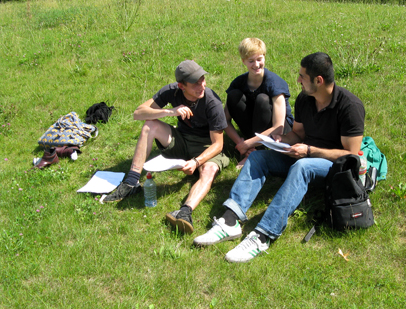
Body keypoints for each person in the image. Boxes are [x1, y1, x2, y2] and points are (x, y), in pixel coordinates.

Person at [193, 52, 366, 262]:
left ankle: (262, 235)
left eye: (302, 76)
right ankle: (230, 221)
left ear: (318, 81)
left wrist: (309, 151)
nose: (298, 80)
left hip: (332, 167)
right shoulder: (305, 99)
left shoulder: (350, 106)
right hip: (303, 154)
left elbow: (350, 155)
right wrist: (280, 140)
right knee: (258, 158)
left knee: (302, 166)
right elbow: (299, 134)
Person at [100, 60, 229, 234]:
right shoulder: (171, 92)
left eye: (203, 80)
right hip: (182, 141)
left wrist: (196, 162)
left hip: (206, 148)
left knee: (209, 171)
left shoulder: (211, 102)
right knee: (149, 125)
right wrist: (170, 111)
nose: (202, 85)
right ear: (181, 86)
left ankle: (185, 212)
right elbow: (138, 113)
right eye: (195, 83)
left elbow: (218, 144)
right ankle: (131, 182)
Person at [224, 38, 294, 168]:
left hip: (280, 130)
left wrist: (248, 143)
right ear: (243, 61)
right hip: (253, 130)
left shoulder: (275, 83)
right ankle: (251, 152)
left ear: (265, 57)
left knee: (262, 99)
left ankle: (256, 152)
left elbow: (279, 126)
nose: (256, 65)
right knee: (233, 96)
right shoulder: (238, 83)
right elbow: (225, 120)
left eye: (259, 59)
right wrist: (241, 143)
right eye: (251, 61)